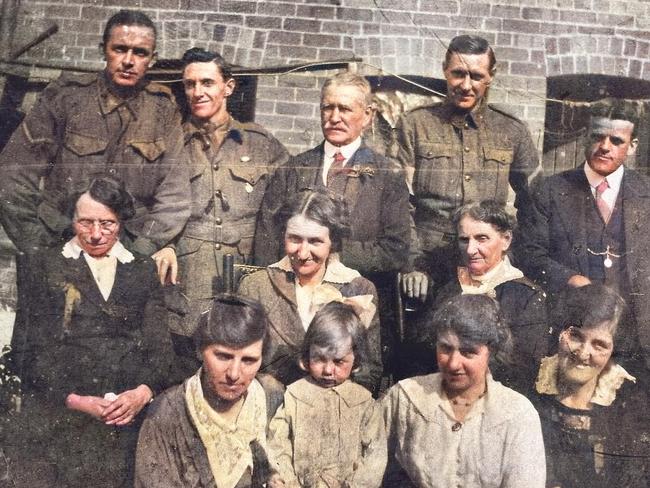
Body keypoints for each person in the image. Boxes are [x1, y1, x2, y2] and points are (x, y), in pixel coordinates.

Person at [0, 177, 172, 487]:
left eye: (107, 224)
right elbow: (26, 352)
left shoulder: (141, 269)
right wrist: (76, 400)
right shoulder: (46, 265)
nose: (95, 235)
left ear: (121, 222)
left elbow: (160, 348)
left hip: (128, 415)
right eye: (85, 222)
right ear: (72, 220)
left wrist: (141, 393)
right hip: (62, 414)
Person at [0, 9, 189, 260]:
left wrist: (140, 252)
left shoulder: (163, 110)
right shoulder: (66, 97)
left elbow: (174, 198)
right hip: (58, 246)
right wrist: (41, 247)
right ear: (103, 50)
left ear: (152, 59)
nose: (129, 61)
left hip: (129, 253)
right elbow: (13, 177)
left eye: (140, 53)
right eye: (119, 49)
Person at [254, 72, 410, 376]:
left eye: (345, 109)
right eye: (328, 108)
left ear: (367, 116)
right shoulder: (293, 169)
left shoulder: (387, 175)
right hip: (292, 305)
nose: (334, 117)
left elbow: (396, 250)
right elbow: (267, 242)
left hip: (356, 306)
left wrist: (328, 256)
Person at [160, 47, 288, 369]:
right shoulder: (169, 143)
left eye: (207, 83)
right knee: (185, 368)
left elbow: (290, 206)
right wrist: (163, 243)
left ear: (228, 87)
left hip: (246, 281)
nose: (198, 92)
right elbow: (146, 202)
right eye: (190, 84)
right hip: (188, 283)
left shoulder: (261, 144)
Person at [515, 98, 650, 384]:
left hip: (636, 337)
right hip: (571, 334)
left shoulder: (646, 193)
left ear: (633, 145)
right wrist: (572, 279)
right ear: (586, 137)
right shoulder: (550, 190)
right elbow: (528, 254)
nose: (605, 146)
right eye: (597, 137)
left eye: (616, 140)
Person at [397, 34, 539, 301]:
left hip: (489, 267)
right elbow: (399, 204)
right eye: (458, 74)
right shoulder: (415, 125)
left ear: (491, 76)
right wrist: (413, 264)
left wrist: (508, 254)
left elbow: (533, 204)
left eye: (476, 76)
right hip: (428, 266)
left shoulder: (511, 130)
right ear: (444, 71)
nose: (466, 85)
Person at [382, 294, 546, 488]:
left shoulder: (517, 414)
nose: (453, 364)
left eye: (468, 352)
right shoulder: (406, 397)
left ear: (491, 351)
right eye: (445, 348)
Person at [239, 190, 383, 394]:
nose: (303, 253)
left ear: (333, 242)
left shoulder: (359, 289)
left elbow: (369, 371)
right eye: (295, 239)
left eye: (315, 241)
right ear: (283, 236)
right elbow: (242, 364)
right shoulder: (256, 286)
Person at [135, 294, 284, 488]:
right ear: (200, 350)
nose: (234, 374)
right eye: (223, 356)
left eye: (249, 360)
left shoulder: (268, 397)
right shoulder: (166, 415)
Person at [406, 200, 547, 392]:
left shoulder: (526, 297)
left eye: (482, 239)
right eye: (464, 240)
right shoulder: (446, 283)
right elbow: (419, 351)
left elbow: (522, 369)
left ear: (505, 240)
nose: (471, 250)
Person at [534, 284, 649, 488]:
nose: (583, 353)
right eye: (576, 336)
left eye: (599, 345)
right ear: (560, 333)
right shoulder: (530, 390)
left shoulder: (632, 406)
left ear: (613, 351)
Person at [267, 302, 386, 487]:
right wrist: (286, 479)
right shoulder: (295, 395)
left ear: (355, 360)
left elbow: (375, 454)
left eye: (339, 362)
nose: (328, 370)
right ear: (308, 355)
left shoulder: (363, 402)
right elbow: (278, 443)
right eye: (320, 359)